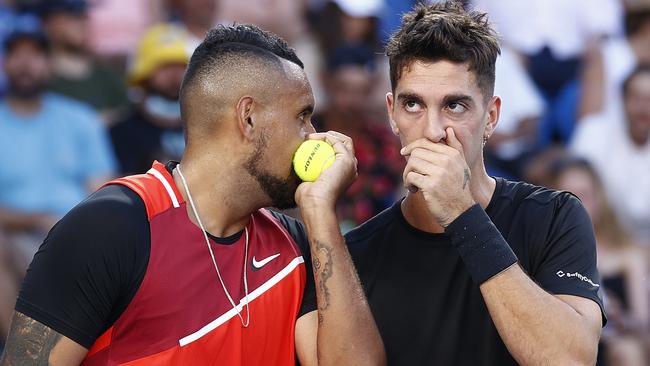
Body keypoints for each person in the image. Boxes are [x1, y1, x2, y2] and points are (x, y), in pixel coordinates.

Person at [0, 24, 385, 365]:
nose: (312, 134)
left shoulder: (296, 242)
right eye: (301, 115)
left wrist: (320, 212)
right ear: (247, 118)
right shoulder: (109, 228)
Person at [345, 2, 605, 365]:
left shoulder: (555, 216)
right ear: (391, 113)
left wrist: (459, 211)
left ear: (491, 117)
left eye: (455, 106)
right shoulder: (358, 252)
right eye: (413, 105)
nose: (433, 131)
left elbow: (571, 358)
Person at [550, 157, 649, 366]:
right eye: (567, 195)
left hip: (618, 345)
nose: (576, 204)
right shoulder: (546, 257)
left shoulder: (627, 254)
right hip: (571, 346)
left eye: (584, 195)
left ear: (598, 199)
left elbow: (642, 323)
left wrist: (619, 317)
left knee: (627, 351)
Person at [571, 65, 650, 244]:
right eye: (636, 97)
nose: (643, 108)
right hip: (598, 241)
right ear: (623, 101)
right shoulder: (593, 131)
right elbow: (574, 193)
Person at [110, 24, 189, 174]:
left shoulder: (203, 125)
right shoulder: (123, 131)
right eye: (164, 67)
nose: (174, 75)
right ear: (143, 75)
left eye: (180, 66)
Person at [39, 0, 129, 126]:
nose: (82, 22)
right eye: (72, 16)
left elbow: (130, 118)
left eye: (84, 15)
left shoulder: (107, 73)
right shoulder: (36, 79)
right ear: (47, 23)